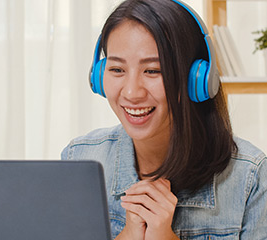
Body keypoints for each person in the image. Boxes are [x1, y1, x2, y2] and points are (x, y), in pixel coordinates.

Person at [61, 0, 267, 239]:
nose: (131, 93)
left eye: (153, 71)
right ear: (98, 75)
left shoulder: (249, 177)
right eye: (117, 69)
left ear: (196, 79)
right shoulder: (79, 158)